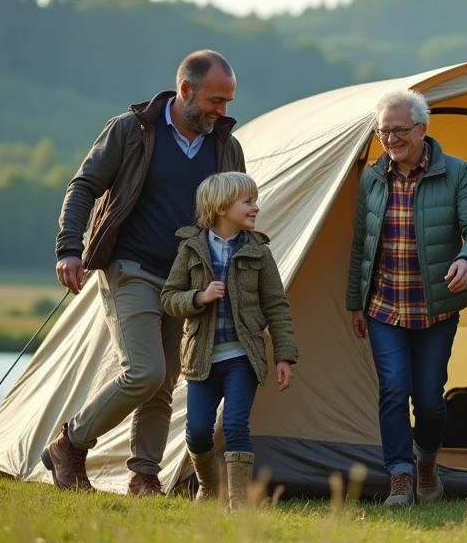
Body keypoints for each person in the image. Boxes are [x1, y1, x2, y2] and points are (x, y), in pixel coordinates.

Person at [43, 50, 245, 496]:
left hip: (185, 283)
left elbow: (237, 215)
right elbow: (84, 186)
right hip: (130, 268)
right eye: (215, 100)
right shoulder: (131, 130)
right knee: (145, 371)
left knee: (164, 381)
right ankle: (70, 444)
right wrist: (69, 249)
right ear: (186, 90)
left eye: (228, 101)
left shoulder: (226, 147)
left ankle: (144, 475)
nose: (222, 111)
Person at [347, 89, 467, 508]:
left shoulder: (457, 173)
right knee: (393, 389)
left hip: (436, 308)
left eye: (399, 130)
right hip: (384, 306)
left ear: (422, 129)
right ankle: (399, 476)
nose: (390, 139)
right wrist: (354, 302)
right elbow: (360, 244)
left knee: (429, 400)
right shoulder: (372, 178)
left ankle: (426, 460)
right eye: (382, 132)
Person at [160, 172, 298, 510]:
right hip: (201, 357)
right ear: (222, 208)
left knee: (236, 423)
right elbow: (169, 297)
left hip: (243, 357)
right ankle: (208, 486)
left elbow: (277, 305)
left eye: (254, 200)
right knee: (199, 431)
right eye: (248, 202)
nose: (256, 207)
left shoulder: (259, 252)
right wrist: (198, 297)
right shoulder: (190, 249)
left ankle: (238, 502)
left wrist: (284, 356)